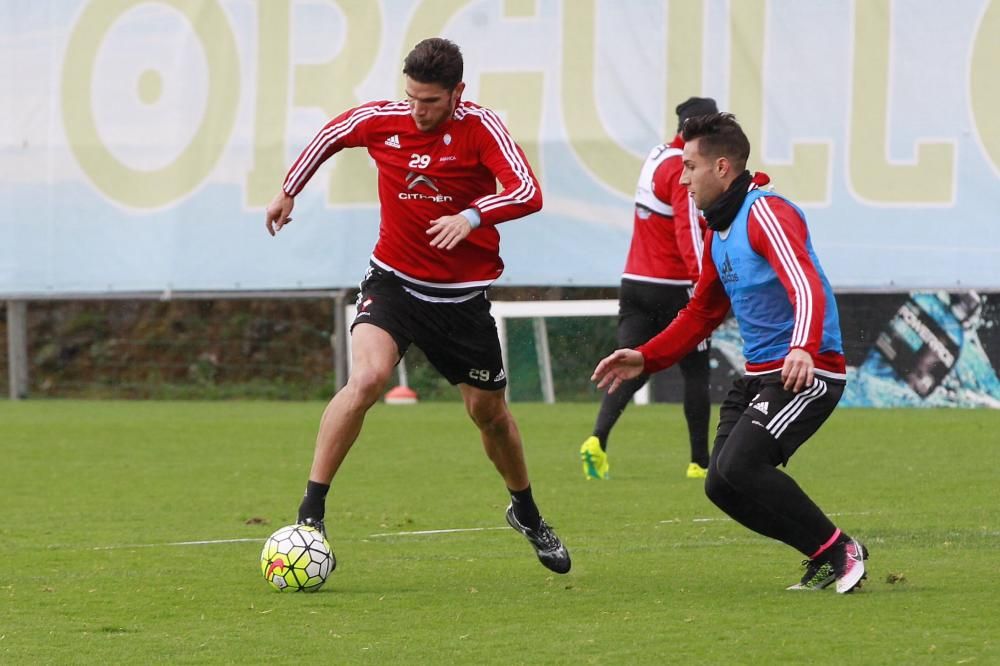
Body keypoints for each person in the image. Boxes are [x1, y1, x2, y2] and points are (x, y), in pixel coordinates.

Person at [265, 38, 570, 575]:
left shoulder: (482, 128)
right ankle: (310, 514)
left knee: (489, 415)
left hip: (460, 303)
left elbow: (528, 190)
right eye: (410, 98)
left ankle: (525, 511)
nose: (417, 110)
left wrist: (473, 216)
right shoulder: (386, 120)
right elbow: (333, 133)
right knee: (366, 381)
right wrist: (290, 188)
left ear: (457, 93)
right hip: (393, 286)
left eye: (429, 101)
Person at [590, 113, 867, 593]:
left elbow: (806, 284)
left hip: (808, 368)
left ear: (721, 168)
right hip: (762, 373)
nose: (682, 178)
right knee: (720, 484)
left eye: (689, 167)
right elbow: (700, 314)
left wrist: (802, 346)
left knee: (740, 466)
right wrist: (645, 357)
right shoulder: (719, 230)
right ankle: (825, 555)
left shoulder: (766, 212)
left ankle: (840, 549)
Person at [580, 96, 718, 482]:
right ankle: (698, 462)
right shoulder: (681, 169)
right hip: (672, 284)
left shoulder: (657, 155)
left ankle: (597, 438)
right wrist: (701, 281)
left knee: (629, 363)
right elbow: (687, 230)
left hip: (635, 281)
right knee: (696, 371)